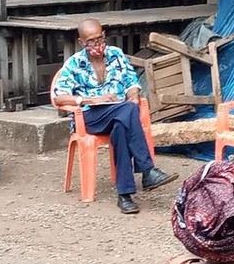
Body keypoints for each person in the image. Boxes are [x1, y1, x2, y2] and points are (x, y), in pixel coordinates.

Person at [50, 18, 175, 214]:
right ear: (82, 43)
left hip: (118, 114)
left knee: (122, 125)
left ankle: (124, 196)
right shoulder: (74, 63)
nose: (97, 44)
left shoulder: (116, 55)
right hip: (91, 117)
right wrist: (91, 100)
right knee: (127, 111)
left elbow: (132, 82)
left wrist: (133, 95)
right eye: (91, 41)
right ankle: (147, 169)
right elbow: (59, 97)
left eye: (100, 38)